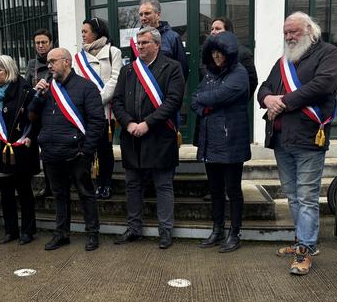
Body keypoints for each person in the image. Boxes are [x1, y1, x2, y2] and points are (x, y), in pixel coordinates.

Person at [257, 12, 337, 275]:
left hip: (308, 138)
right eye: (286, 33)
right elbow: (264, 87)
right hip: (282, 139)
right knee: (293, 195)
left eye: (293, 32)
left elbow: (322, 85)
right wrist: (268, 99)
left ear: (310, 31)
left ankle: (306, 249)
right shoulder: (283, 60)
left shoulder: (328, 54)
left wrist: (283, 101)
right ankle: (301, 242)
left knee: (306, 197)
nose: (289, 37)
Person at [112, 26, 185, 249]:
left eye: (144, 43)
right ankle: (134, 228)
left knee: (163, 185)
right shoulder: (128, 70)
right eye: (138, 43)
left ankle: (165, 231)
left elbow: (173, 102)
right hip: (132, 136)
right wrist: (129, 123)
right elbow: (117, 101)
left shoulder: (172, 68)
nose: (140, 47)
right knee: (132, 184)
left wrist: (147, 123)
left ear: (157, 44)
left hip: (160, 135)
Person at [31, 48, 106, 252]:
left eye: (53, 61)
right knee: (59, 195)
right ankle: (61, 234)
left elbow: (97, 121)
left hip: (77, 152)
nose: (49, 65)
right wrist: (37, 96)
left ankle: (92, 234)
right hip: (51, 152)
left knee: (85, 194)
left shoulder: (86, 87)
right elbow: (31, 115)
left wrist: (87, 150)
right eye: (48, 62)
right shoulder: (46, 88)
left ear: (66, 62)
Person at [190, 31, 250, 253]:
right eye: (213, 52)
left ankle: (235, 233)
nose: (216, 57)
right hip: (210, 141)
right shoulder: (209, 75)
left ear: (229, 53)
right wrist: (206, 102)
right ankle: (218, 229)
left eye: (220, 52)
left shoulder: (239, 73)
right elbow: (194, 100)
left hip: (231, 140)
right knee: (215, 189)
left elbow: (217, 96)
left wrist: (206, 101)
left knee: (232, 190)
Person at [0, 55, 40, 245]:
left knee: (23, 191)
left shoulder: (24, 90)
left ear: (8, 70)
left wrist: (29, 138)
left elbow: (34, 119)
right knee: (5, 192)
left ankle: (28, 231)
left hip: (18, 148)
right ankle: (11, 230)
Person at [72, 17, 123, 200]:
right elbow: (77, 83)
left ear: (97, 32)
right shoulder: (79, 57)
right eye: (82, 32)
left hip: (104, 111)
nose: (83, 35)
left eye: (86, 31)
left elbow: (115, 79)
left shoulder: (113, 52)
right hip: (85, 112)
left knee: (104, 149)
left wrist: (95, 100)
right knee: (87, 149)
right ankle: (88, 185)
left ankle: (105, 184)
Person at [25, 28, 55, 198]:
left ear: (51, 43)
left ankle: (55, 185)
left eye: (44, 42)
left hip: (54, 111)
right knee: (41, 151)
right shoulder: (31, 64)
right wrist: (33, 89)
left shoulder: (57, 59)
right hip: (37, 112)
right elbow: (26, 87)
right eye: (38, 43)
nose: (41, 46)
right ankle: (47, 185)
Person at [138, 0, 189, 79]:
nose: (143, 18)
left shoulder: (173, 37)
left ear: (158, 15)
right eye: (141, 14)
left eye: (147, 13)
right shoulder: (136, 40)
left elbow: (183, 70)